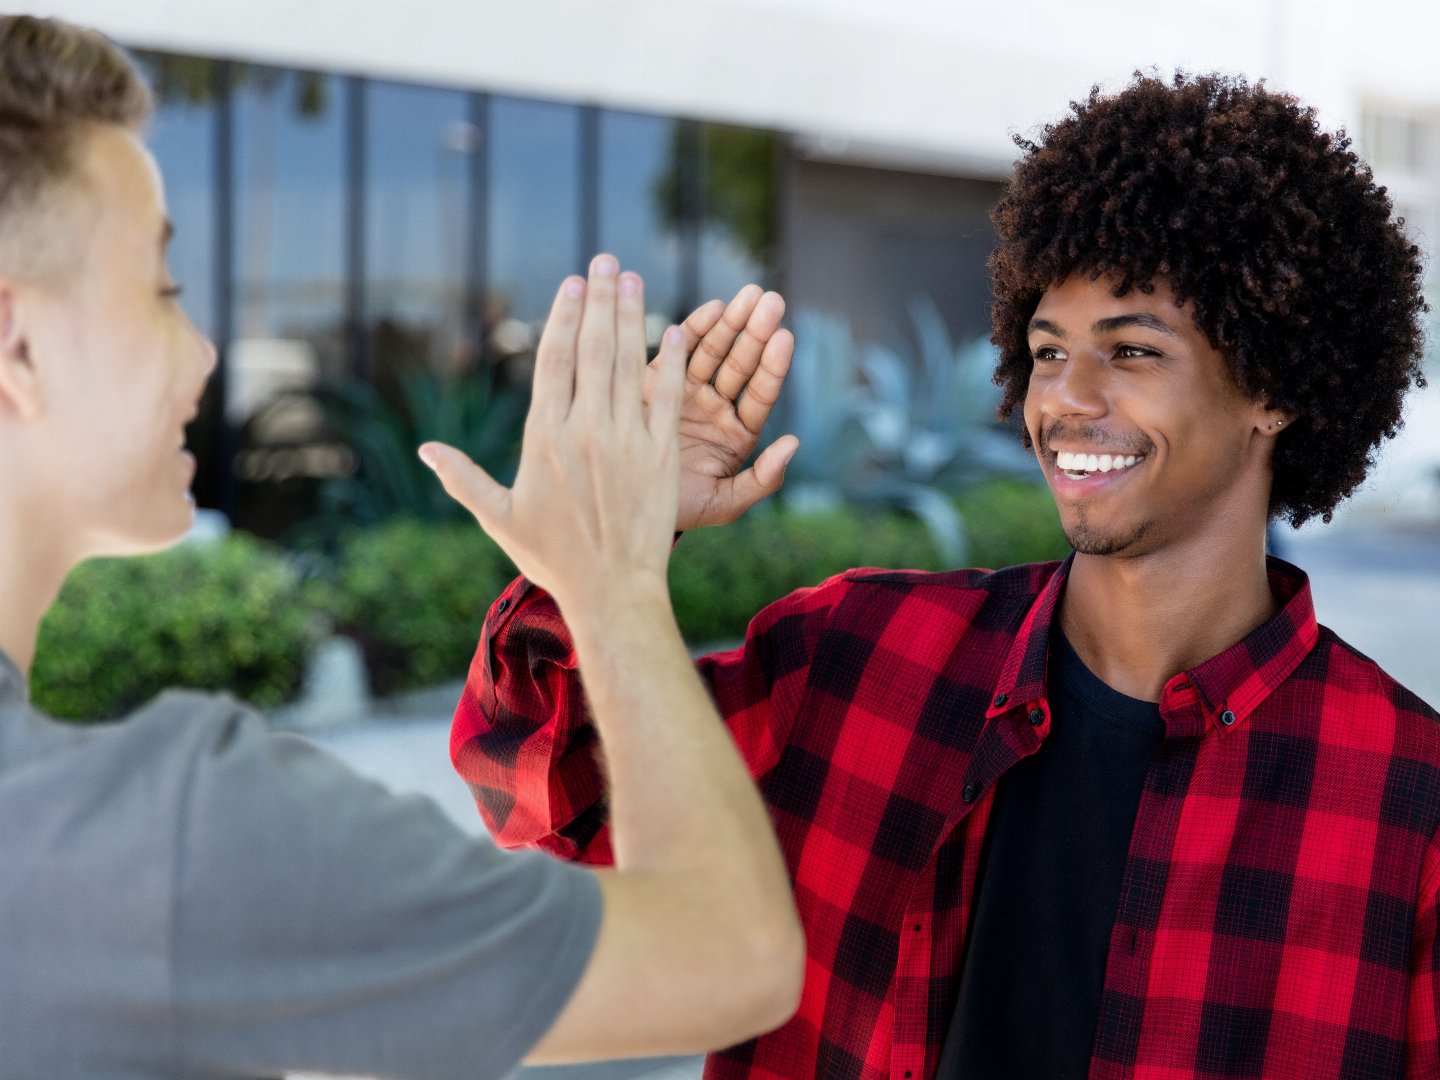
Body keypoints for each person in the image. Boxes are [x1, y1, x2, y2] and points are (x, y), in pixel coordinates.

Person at [452, 71, 1440, 1079]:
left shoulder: (1411, 803)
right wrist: (606, 560)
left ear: (1272, 388)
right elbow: (548, 801)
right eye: (1047, 352)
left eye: (1132, 350)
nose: (1067, 397)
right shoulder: (849, 661)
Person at [0, 15, 804, 1078]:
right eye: (163, 290)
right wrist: (612, 578)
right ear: (16, 344)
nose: (201, 354)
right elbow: (732, 956)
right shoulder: (164, 845)